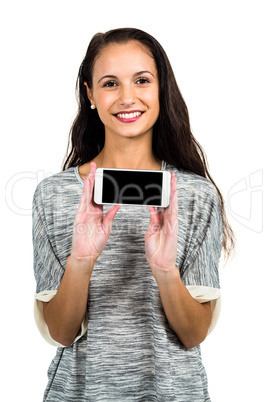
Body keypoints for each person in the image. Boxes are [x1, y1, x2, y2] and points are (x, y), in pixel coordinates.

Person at [32, 28, 235, 401]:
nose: (128, 97)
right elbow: (61, 332)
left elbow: (193, 334)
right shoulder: (54, 195)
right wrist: (81, 261)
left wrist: (165, 272)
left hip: (173, 392)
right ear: (90, 94)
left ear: (161, 88)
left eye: (142, 80)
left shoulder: (196, 195)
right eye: (110, 83)